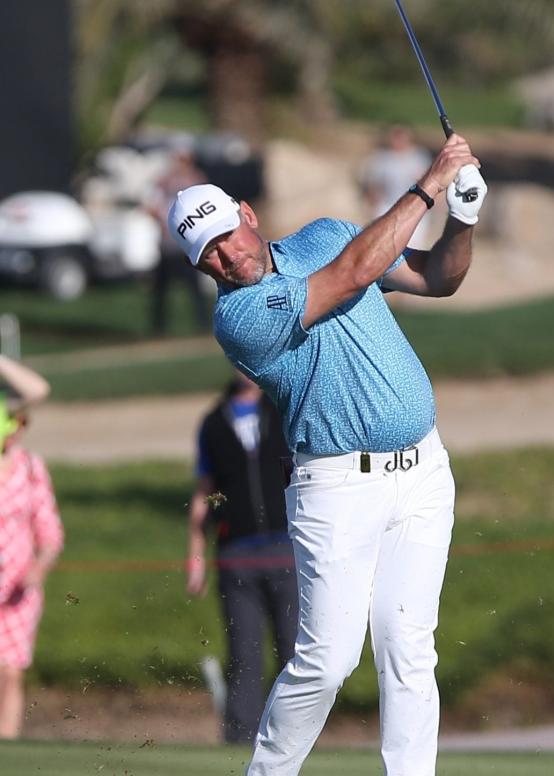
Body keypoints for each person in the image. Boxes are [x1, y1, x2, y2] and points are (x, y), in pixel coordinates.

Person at [167, 132, 486, 775]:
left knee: (408, 648)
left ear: (247, 215)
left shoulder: (326, 233)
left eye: (228, 235)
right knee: (327, 658)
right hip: (336, 488)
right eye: (209, 254)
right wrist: (431, 181)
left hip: (423, 473)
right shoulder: (240, 316)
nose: (228, 256)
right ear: (200, 268)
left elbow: (436, 277)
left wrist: (463, 217)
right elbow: (350, 276)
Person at [186, 371, 297, 745]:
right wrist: (196, 554)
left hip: (287, 547)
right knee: (245, 654)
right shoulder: (213, 423)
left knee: (295, 650)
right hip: (236, 554)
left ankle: (295, 736)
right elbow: (204, 490)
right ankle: (239, 739)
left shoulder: (281, 410)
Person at [0, 356, 62, 740]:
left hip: (17, 587)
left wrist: (39, 568)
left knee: (10, 671)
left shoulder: (29, 468)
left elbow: (38, 390)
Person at [147, 138, 212, 334]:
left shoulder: (196, 179)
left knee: (194, 288)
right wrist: (163, 222)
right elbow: (152, 205)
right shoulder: (164, 180)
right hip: (167, 244)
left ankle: (202, 325)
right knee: (161, 289)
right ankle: (158, 327)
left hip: (188, 245)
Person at [362, 126, 434, 246]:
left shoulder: (419, 157)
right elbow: (374, 184)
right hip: (387, 206)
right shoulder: (382, 158)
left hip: (414, 207)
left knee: (411, 245)